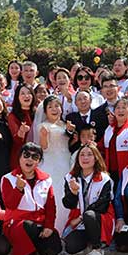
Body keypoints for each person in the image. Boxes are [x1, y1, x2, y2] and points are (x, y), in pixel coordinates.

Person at [1, 143, 62, 255]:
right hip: (17, 223)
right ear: (20, 158)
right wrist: (18, 188)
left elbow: (51, 206)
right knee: (27, 227)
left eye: (35, 157)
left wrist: (49, 226)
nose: (30, 159)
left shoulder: (46, 179)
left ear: (39, 161)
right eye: (26, 155)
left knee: (54, 247)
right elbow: (9, 205)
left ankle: (36, 253)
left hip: (39, 222)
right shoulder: (8, 178)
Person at [62, 144, 115, 255]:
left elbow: (102, 206)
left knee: (89, 215)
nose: (85, 158)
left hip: (99, 218)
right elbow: (68, 204)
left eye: (89, 154)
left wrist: (81, 218)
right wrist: (73, 193)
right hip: (81, 221)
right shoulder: (70, 177)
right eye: (82, 155)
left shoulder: (104, 179)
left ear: (96, 158)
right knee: (71, 246)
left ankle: (97, 251)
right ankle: (88, 247)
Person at [37, 95, 72, 233]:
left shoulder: (65, 125)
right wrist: (44, 137)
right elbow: (44, 148)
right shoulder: (43, 126)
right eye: (50, 107)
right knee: (55, 193)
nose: (54, 109)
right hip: (51, 162)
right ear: (45, 111)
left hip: (66, 160)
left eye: (57, 106)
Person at [8, 83, 35, 166]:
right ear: (17, 97)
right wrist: (21, 131)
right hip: (21, 156)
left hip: (36, 155)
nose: (26, 96)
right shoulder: (13, 116)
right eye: (22, 93)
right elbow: (17, 140)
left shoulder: (37, 112)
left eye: (29, 93)